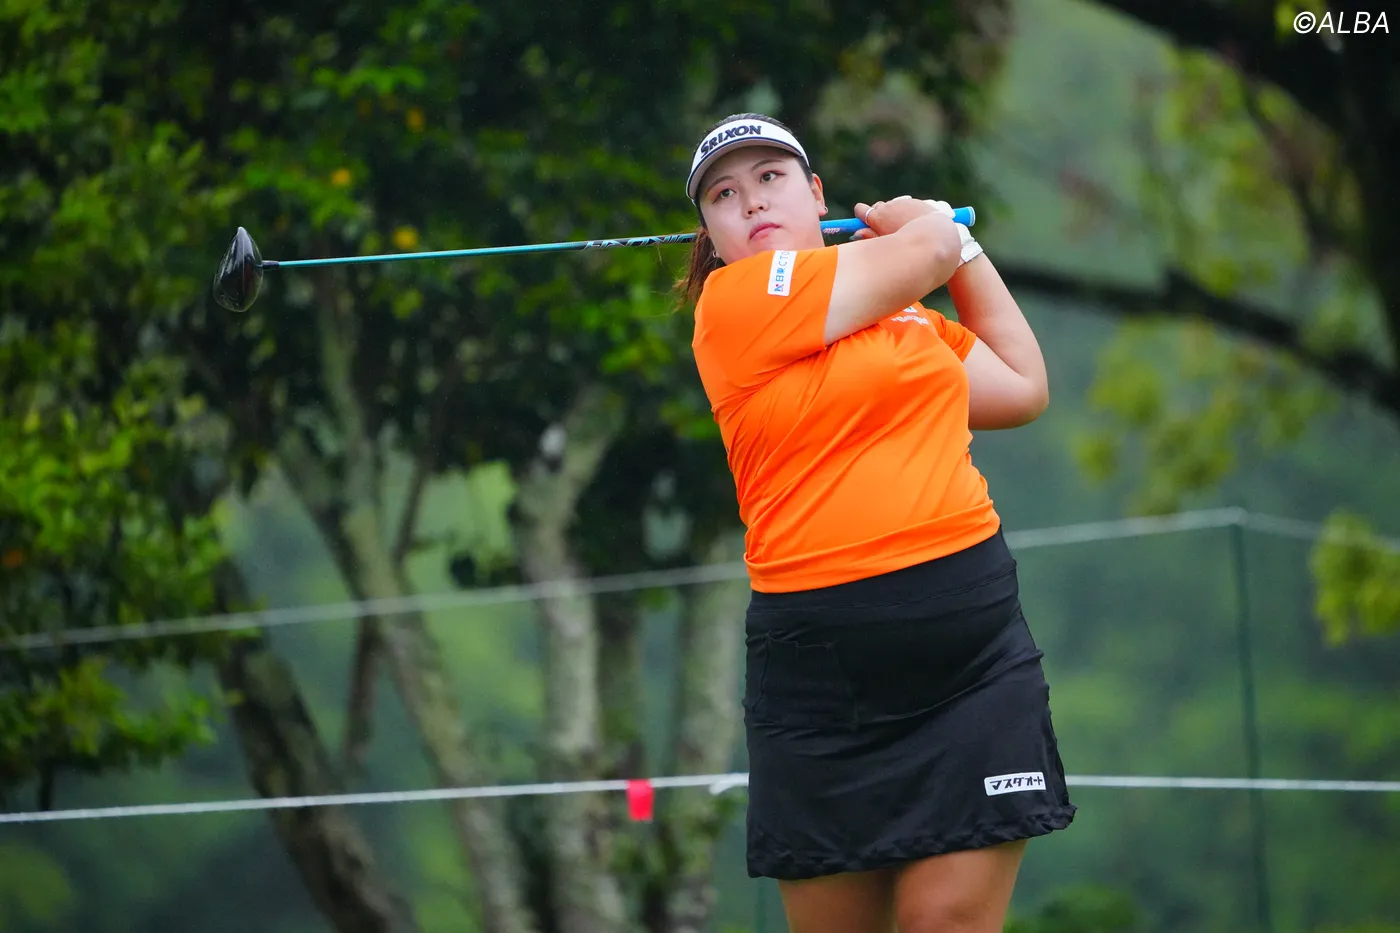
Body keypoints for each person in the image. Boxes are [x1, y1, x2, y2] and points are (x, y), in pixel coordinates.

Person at [679, 112, 1076, 933]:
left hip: (971, 664)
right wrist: (931, 225)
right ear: (711, 237)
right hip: (820, 683)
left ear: (816, 194)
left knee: (945, 921)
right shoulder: (733, 302)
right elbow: (923, 252)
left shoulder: (907, 317)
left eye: (770, 178)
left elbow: (1021, 385)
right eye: (724, 195)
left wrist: (965, 248)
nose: (751, 202)